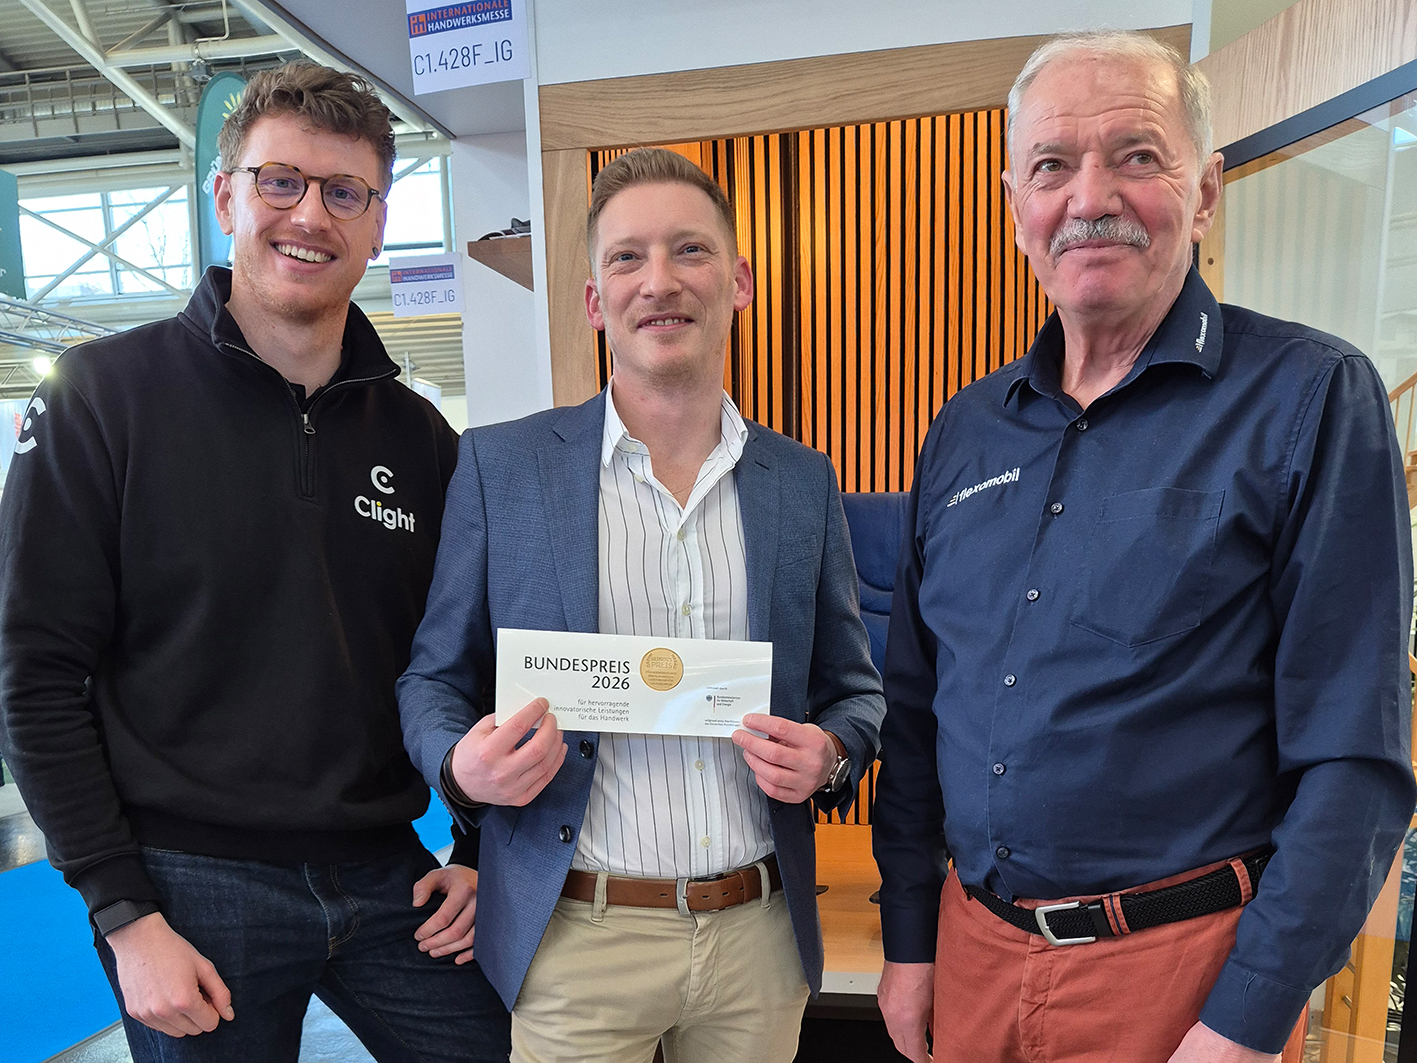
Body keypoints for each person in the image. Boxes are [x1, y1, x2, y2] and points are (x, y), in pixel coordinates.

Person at [874, 30, 1416, 1063]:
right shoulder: (964, 432)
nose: (1089, 197)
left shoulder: (1307, 400)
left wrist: (1245, 1018)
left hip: (1179, 976)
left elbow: (1355, 759)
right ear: (1014, 204)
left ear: (1205, 190)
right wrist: (909, 938)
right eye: (1051, 166)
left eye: (1135, 155)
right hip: (973, 950)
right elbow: (914, 707)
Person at [0, 62, 510, 1062]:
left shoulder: (420, 437)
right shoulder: (101, 399)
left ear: (375, 221)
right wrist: (123, 913)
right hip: (192, 883)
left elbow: (466, 665)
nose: (309, 215)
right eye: (281, 181)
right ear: (227, 193)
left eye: (343, 191)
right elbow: (36, 673)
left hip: (390, 869)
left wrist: (482, 846)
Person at [396, 147, 885, 1063]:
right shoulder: (503, 468)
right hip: (579, 934)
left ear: (737, 281)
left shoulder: (802, 482)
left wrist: (830, 754)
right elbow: (431, 679)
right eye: (626, 257)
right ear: (593, 300)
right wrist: (461, 767)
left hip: (758, 935)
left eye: (689, 250)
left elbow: (854, 692)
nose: (658, 281)